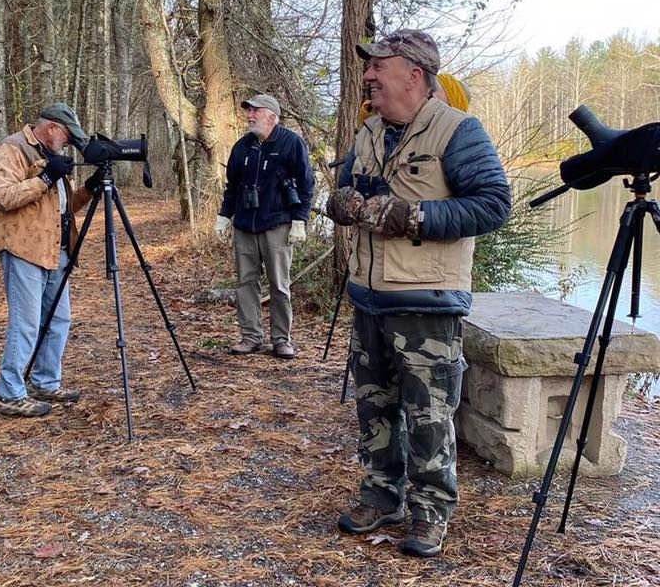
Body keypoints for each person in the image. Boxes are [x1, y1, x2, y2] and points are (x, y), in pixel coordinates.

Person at [325, 29, 511, 556]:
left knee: (430, 415)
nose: (368, 76)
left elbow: (494, 204)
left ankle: (430, 512)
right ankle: (381, 495)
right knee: (374, 406)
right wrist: (343, 200)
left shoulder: (458, 131)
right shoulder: (368, 132)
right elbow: (350, 187)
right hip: (368, 297)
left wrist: (414, 216)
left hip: (427, 301)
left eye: (377, 67)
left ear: (414, 74)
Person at [0, 103, 103, 418]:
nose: (67, 142)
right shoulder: (13, 148)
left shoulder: (49, 153)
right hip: (24, 248)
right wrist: (46, 178)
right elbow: (4, 196)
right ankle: (10, 393)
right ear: (51, 127)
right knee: (25, 323)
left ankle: (45, 381)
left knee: (58, 320)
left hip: (56, 249)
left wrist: (89, 189)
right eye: (66, 135)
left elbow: (61, 210)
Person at [214, 94, 314, 359]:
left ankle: (282, 339)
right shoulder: (242, 147)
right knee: (245, 283)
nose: (249, 116)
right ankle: (251, 337)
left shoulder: (291, 143)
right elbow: (232, 187)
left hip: (277, 224)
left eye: (255, 111)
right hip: (245, 225)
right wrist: (225, 215)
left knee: (279, 285)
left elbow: (306, 185)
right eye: (248, 112)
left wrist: (299, 220)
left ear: (272, 115)